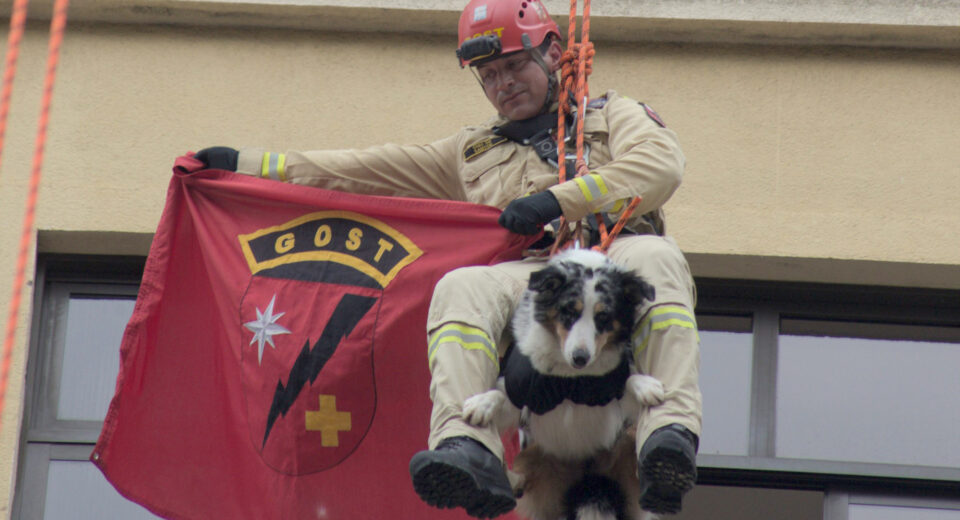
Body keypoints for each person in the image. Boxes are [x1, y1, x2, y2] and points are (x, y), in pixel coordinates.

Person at [194, 0, 701, 517]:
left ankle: (668, 434)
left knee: (658, 256)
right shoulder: (471, 152)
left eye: (513, 66)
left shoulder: (613, 115)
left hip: (614, 258)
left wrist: (557, 201)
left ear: (552, 52)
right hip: (534, 279)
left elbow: (661, 165)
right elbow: (363, 171)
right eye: (488, 75)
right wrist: (248, 167)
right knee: (461, 285)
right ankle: (467, 447)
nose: (501, 83)